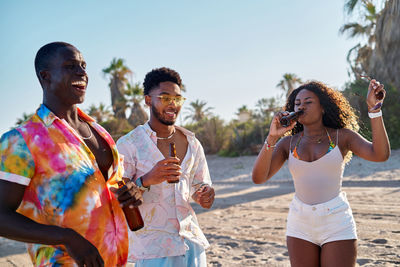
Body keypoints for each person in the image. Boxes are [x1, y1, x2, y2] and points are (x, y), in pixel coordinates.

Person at [0, 42, 142, 266]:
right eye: (70, 66)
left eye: (83, 65)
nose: (82, 72)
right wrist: (65, 238)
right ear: (45, 76)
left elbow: (110, 186)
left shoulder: (99, 131)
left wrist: (131, 191)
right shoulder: (22, 140)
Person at [252, 80, 390, 267]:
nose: (301, 106)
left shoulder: (342, 137)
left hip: (336, 221)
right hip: (299, 222)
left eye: (308, 102)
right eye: (297, 104)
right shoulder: (288, 143)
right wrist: (272, 137)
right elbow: (258, 178)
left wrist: (375, 110)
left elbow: (380, 155)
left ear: (323, 108)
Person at [116, 67, 215, 267]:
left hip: (191, 242)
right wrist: (147, 180)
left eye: (177, 98)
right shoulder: (129, 144)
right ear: (147, 100)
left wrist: (204, 194)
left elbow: (198, 186)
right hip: (153, 249)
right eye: (164, 97)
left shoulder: (192, 142)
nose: (173, 104)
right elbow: (117, 199)